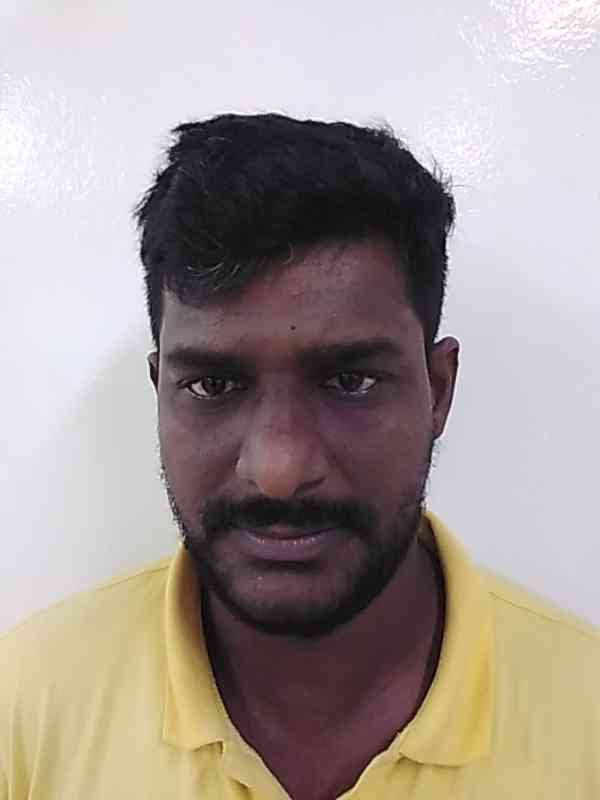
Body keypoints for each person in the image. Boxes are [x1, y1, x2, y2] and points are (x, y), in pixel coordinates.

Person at [1, 113, 599, 800]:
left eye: (351, 381)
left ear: (438, 391)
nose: (278, 471)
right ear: (160, 391)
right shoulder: (25, 711)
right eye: (213, 385)